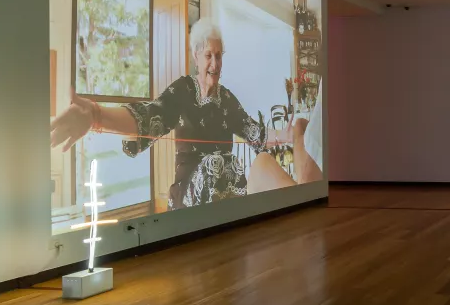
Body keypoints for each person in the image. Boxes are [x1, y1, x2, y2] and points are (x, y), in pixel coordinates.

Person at [50, 18, 322, 209]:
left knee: (233, 168)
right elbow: (147, 117)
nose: (214, 64)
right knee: (221, 165)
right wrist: (96, 115)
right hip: (188, 197)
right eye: (208, 56)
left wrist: (290, 133)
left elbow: (256, 133)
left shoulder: (227, 99)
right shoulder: (182, 90)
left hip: (226, 194)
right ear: (195, 56)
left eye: (219, 55)